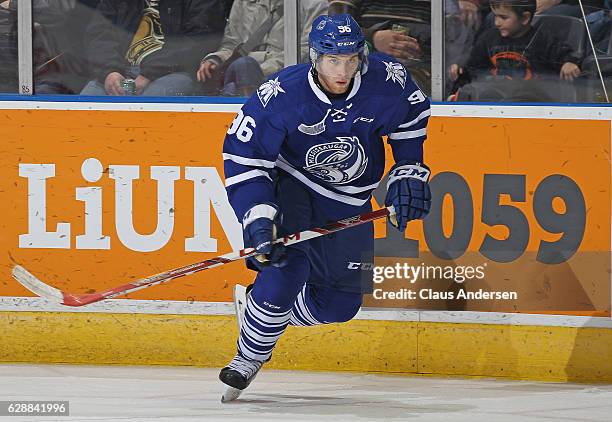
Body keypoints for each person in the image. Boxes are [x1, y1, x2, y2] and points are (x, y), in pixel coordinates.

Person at [219, 14, 432, 402]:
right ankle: (249, 355)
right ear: (315, 57)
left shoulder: (388, 80)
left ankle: (261, 309)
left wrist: (409, 172)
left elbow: (410, 121)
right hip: (293, 185)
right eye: (334, 60)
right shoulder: (281, 95)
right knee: (287, 265)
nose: (344, 70)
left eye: (352, 59)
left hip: (351, 198)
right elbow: (246, 158)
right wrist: (257, 214)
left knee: (338, 305)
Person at [80, 0, 225, 96]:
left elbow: (198, 40)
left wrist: (150, 73)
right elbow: (99, 35)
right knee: (87, 101)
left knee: (151, 104)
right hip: (121, 72)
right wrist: (109, 72)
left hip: (173, 73)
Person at [196, 0, 327, 96]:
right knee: (179, 83)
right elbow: (231, 45)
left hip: (285, 79)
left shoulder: (315, 4)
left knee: (245, 66)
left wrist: (259, 68)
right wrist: (215, 59)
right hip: (241, 71)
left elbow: (308, 51)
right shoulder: (242, 2)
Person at [449, 0, 581, 85]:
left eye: (503, 17)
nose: (496, 23)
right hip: (495, 98)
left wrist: (569, 63)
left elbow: (564, 55)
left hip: (534, 99)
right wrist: (460, 69)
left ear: (525, 18)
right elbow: (473, 65)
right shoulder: (489, 38)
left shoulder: (542, 39)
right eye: (495, 16)